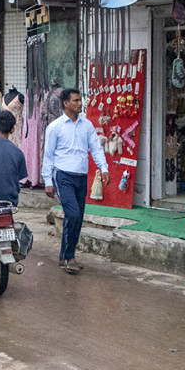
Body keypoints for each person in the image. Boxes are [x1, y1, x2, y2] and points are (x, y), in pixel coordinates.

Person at [42, 88, 109, 275]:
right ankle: (70, 257)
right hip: (62, 175)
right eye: (76, 100)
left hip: (81, 175)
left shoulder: (86, 125)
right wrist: (48, 180)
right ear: (66, 103)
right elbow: (48, 155)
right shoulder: (55, 127)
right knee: (72, 214)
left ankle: (64, 254)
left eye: (80, 100)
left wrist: (104, 168)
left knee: (78, 217)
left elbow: (95, 148)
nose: (80, 103)